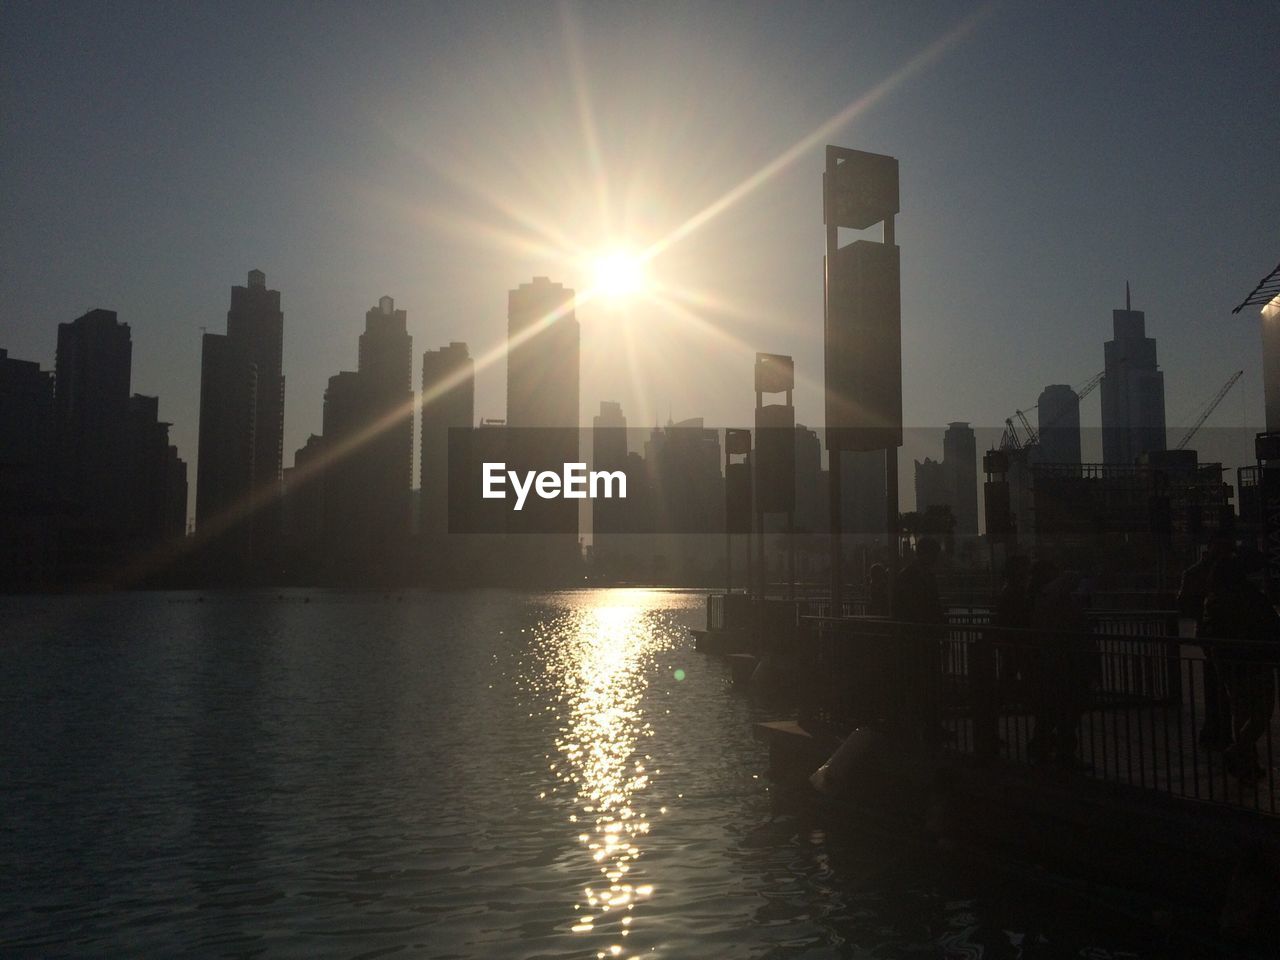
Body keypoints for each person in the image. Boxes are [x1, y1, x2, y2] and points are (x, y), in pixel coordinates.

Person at [1201, 555, 1280, 784]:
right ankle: (1238, 752)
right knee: (1262, 711)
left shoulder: (1215, 597)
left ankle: (1246, 763)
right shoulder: (1249, 596)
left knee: (1241, 712)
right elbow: (1269, 623)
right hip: (1255, 660)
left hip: (1228, 662)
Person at [1026, 561, 1093, 768]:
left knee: (1052, 707)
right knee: (1068, 708)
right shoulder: (1067, 606)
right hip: (1069, 663)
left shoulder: (1043, 601)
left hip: (1051, 662)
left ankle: (1042, 745)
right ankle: (1064, 752)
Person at [1177, 535, 1235, 749]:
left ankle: (1218, 728)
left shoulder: (1199, 572)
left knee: (1218, 682)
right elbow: (1185, 604)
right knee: (1221, 682)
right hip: (1215, 634)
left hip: (1215, 633)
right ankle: (1219, 729)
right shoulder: (1200, 573)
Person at [891, 538, 948, 744]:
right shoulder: (912, 577)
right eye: (934, 554)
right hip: (916, 639)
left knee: (928, 683)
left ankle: (929, 726)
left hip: (922, 638)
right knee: (920, 683)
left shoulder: (916, 575)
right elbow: (916, 607)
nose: (936, 558)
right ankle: (922, 726)